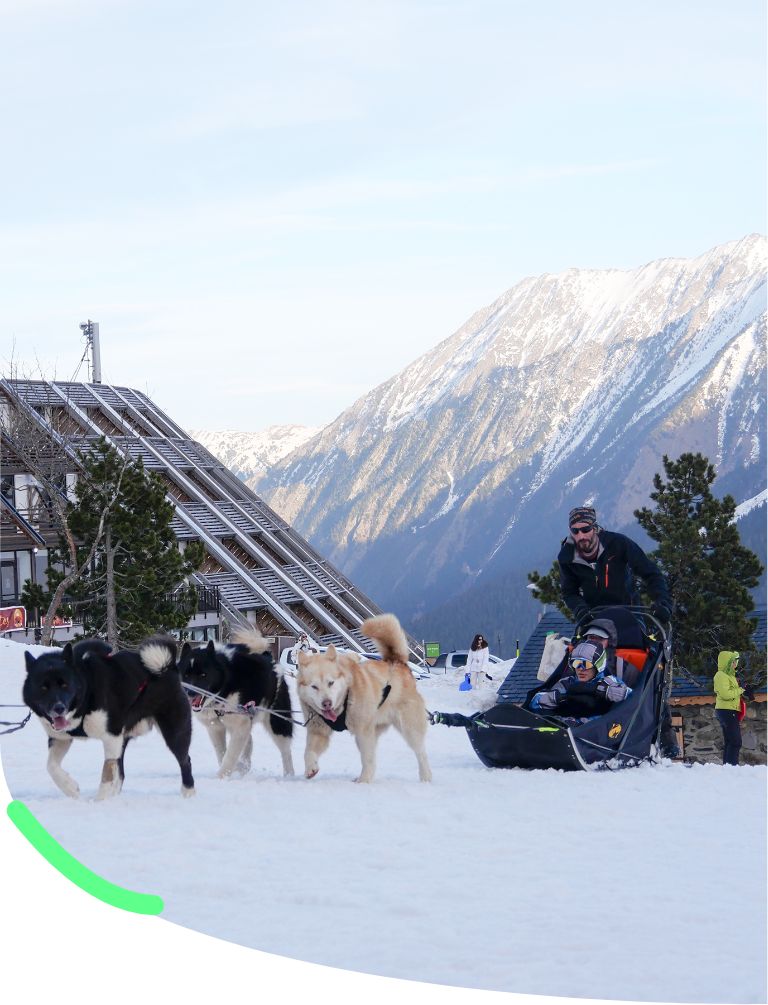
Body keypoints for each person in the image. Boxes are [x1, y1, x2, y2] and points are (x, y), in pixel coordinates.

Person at [558, 506, 671, 629]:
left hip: (630, 614)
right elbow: (569, 592)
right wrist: (580, 609)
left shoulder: (619, 543)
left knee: (638, 647)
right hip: (594, 618)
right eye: (575, 531)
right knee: (586, 648)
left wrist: (662, 602)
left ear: (594, 528)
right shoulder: (566, 556)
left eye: (585, 529)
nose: (580, 536)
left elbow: (651, 573)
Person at [530, 641, 631, 718]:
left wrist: (596, 689)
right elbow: (535, 701)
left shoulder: (608, 681)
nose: (580, 669)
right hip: (570, 731)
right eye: (576, 663)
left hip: (599, 732)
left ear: (598, 666)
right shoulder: (567, 683)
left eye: (586, 664)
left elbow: (629, 695)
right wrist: (563, 698)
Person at [714, 650, 745, 766]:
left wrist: (744, 690)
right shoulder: (720, 675)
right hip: (726, 710)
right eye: (733, 662)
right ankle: (732, 767)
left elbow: (733, 693)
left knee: (730, 740)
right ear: (727, 662)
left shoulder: (729, 676)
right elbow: (726, 694)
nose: (735, 664)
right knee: (735, 741)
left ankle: (728, 767)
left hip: (729, 710)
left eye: (736, 662)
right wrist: (741, 689)